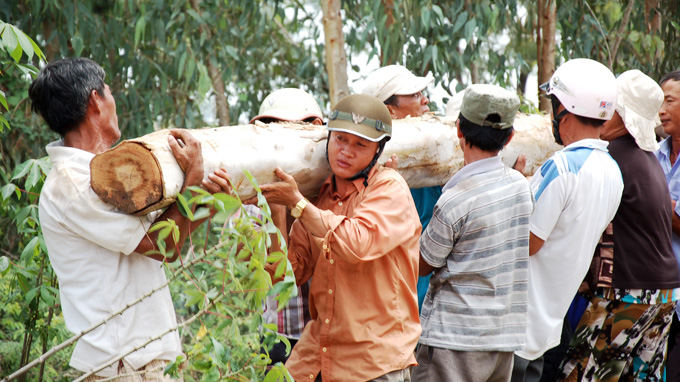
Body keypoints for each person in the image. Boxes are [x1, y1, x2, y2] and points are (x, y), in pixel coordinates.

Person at [29, 57, 231, 380]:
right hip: (123, 368)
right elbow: (160, 246)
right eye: (108, 91)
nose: (113, 101)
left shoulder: (101, 175)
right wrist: (194, 184)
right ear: (95, 101)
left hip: (141, 363)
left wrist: (205, 198)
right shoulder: (72, 185)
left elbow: (170, 236)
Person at [252, 94, 422, 381]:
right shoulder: (321, 198)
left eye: (360, 144)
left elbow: (356, 243)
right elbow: (289, 271)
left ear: (378, 151)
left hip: (373, 363)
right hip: (315, 356)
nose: (346, 151)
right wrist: (277, 208)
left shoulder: (390, 189)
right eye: (340, 139)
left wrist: (299, 204)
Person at [557, 70, 680, 381]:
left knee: (583, 374)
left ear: (622, 116)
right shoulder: (648, 158)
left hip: (628, 291)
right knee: (638, 377)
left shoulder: (611, 156)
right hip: (664, 293)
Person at [511, 58, 624, 382]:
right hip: (549, 323)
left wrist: (513, 190)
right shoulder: (612, 171)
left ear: (563, 109)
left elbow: (529, 242)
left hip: (519, 322)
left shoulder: (561, 167)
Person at [412, 84, 533, 382]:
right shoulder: (519, 185)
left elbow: (422, 264)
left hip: (454, 342)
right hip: (503, 338)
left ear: (458, 129)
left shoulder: (455, 199)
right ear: (510, 137)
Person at [250, 88, 323, 364]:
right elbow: (274, 282)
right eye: (270, 131)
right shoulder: (249, 203)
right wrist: (277, 209)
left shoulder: (330, 193)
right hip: (277, 337)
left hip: (326, 337)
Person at [360, 64, 437, 312]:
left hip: (432, 291)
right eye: (414, 95)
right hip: (395, 295)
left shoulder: (440, 154)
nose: (425, 100)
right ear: (390, 112)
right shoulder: (369, 169)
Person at [655, 70, 680, 382]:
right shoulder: (654, 155)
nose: (661, 109)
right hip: (657, 299)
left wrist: (655, 201)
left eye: (669, 101)